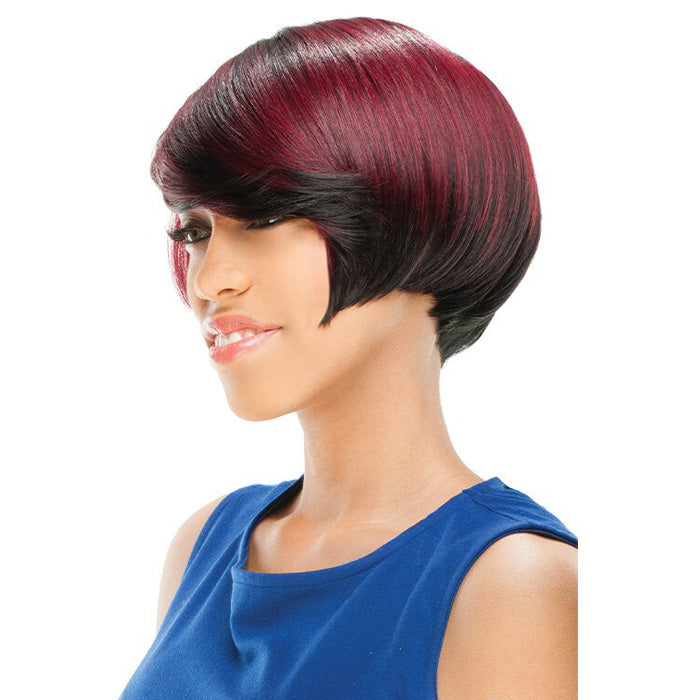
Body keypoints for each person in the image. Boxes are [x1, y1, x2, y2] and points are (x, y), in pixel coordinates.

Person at [119, 16, 578, 700]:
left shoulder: (512, 584)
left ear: (418, 206)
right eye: (194, 230)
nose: (210, 279)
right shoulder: (203, 547)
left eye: (264, 217)